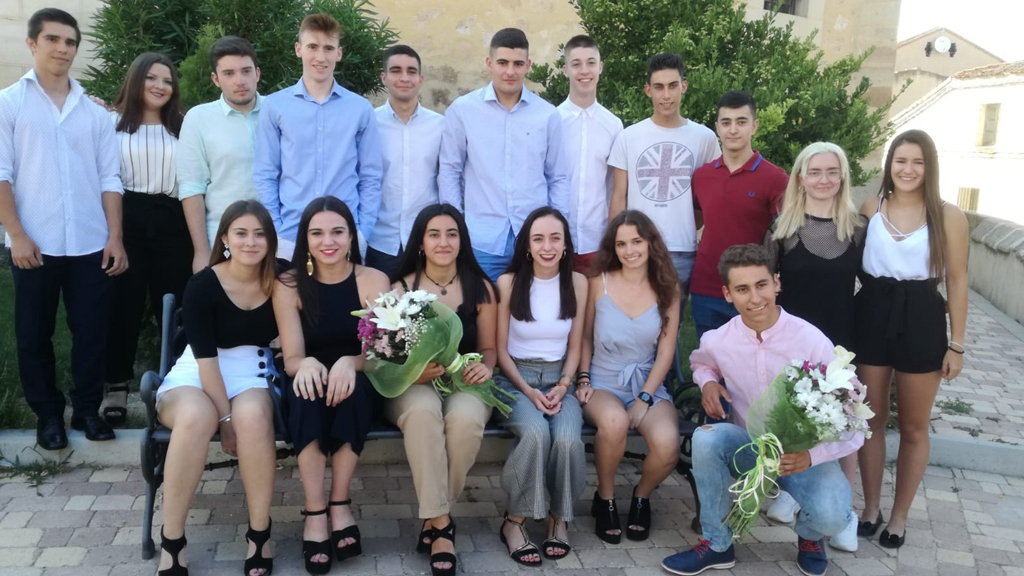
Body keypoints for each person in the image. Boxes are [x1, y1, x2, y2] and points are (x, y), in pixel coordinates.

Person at [661, 244, 862, 576]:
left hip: (800, 455)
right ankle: (716, 545)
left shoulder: (812, 341)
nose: (754, 298)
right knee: (706, 437)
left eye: (761, 285)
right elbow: (701, 362)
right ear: (727, 294)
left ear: (777, 283)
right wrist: (708, 382)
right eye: (742, 289)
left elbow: (852, 414)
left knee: (833, 514)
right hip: (749, 447)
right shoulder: (719, 339)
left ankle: (810, 536)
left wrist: (812, 456)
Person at [0, 8, 125, 450]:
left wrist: (115, 237)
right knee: (34, 335)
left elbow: (110, 178)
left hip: (91, 242)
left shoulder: (93, 113)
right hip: (35, 243)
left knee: (92, 332)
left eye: (70, 42)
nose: (63, 49)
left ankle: (87, 411)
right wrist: (16, 233)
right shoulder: (9, 103)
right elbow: (1, 174)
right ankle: (48, 416)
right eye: (53, 39)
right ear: (32, 43)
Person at [153, 200, 280, 576]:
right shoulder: (203, 284)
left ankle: (260, 534)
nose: (250, 242)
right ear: (224, 237)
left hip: (253, 372)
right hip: (198, 371)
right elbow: (206, 361)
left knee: (254, 417)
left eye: (259, 234)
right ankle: (172, 541)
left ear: (270, 241)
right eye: (240, 233)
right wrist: (224, 419)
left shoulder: (280, 278)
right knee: (196, 417)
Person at [855, 130, 968, 549]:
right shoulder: (871, 206)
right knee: (870, 419)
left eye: (917, 162)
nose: (907, 169)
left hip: (921, 316)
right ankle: (870, 507)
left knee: (915, 427)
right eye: (900, 161)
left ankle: (899, 516)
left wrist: (956, 343)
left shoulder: (947, 215)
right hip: (871, 313)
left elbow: (957, 280)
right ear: (889, 165)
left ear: (929, 167)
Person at [273, 197, 390, 574]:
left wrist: (350, 362)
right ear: (305, 239)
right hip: (307, 373)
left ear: (352, 237)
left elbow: (382, 354)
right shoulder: (289, 284)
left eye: (338, 231)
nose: (329, 241)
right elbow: (291, 358)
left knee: (353, 391)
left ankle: (339, 503)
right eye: (317, 232)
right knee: (305, 397)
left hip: (359, 374)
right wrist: (305, 364)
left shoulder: (373, 280)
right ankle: (315, 511)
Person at [763, 142, 868, 551]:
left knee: (844, 425)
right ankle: (793, 492)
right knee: (794, 422)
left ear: (842, 177)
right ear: (800, 178)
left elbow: (873, 287)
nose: (824, 179)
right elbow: (765, 290)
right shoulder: (782, 230)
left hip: (841, 343)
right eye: (815, 171)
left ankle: (845, 513)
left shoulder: (857, 229)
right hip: (793, 343)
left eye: (832, 171)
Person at [385, 204, 497, 576]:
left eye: (452, 234)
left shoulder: (481, 289)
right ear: (420, 241)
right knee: (422, 414)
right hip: (410, 383)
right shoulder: (399, 289)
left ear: (462, 241)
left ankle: (433, 517)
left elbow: (492, 348)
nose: (443, 242)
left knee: (465, 421)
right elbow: (387, 355)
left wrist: (486, 365)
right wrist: (414, 373)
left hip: (463, 379)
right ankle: (444, 529)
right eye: (434, 234)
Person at [577, 210, 680, 544]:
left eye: (637, 241)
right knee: (614, 422)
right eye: (621, 243)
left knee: (667, 445)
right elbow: (585, 338)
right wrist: (583, 380)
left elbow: (665, 353)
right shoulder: (599, 282)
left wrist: (645, 399)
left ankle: (641, 496)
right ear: (613, 247)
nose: (629, 250)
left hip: (648, 384)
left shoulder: (668, 287)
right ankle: (605, 499)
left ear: (651, 242)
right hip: (604, 381)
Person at [493, 207, 588, 567]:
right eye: (538, 239)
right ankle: (514, 521)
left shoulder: (578, 283)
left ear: (565, 244)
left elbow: (576, 345)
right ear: (527, 246)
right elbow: (500, 351)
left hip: (559, 379)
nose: (547, 246)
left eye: (555, 238)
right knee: (535, 434)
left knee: (566, 439)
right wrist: (528, 391)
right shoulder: (509, 283)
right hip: (514, 379)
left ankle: (558, 518)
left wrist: (565, 384)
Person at [102, 52, 192, 428]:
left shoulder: (185, 126)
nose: (160, 86)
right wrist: (115, 237)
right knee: (122, 308)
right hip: (128, 220)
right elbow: (107, 181)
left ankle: (176, 387)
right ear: (136, 80)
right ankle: (116, 387)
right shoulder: (109, 123)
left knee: (175, 309)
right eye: (152, 78)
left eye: (167, 80)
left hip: (174, 222)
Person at [438, 28, 570, 281]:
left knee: (530, 316)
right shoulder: (463, 110)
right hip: (481, 240)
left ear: (528, 65)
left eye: (518, 64)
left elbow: (558, 177)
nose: (510, 71)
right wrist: (457, 225)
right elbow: (450, 170)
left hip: (535, 242)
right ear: (489, 63)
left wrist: (556, 231)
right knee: (482, 313)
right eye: (503, 63)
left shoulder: (547, 115)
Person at [254, 13, 383, 258]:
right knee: (289, 297)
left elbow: (371, 175)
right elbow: (265, 172)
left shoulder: (360, 108)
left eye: (328, 48)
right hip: (290, 235)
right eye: (312, 46)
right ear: (298, 49)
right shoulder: (275, 106)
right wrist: (277, 228)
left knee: (345, 298)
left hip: (344, 235)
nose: (321, 57)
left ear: (339, 53)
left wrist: (362, 230)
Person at [608, 52, 719, 297]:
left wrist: (690, 222)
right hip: (637, 247)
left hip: (682, 248)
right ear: (648, 90)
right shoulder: (629, 137)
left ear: (684, 87)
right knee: (635, 326)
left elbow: (711, 196)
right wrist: (614, 246)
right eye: (659, 87)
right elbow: (619, 196)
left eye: (672, 86)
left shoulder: (704, 138)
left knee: (672, 327)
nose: (666, 95)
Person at [690, 90, 788, 340]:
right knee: (709, 365)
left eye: (741, 122)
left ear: (754, 126)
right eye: (726, 122)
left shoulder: (775, 179)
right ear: (717, 128)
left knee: (752, 368)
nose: (733, 130)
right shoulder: (702, 176)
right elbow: (697, 220)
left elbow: (786, 235)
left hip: (752, 292)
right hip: (706, 286)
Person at [178, 35, 264, 273]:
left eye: (246, 71)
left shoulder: (278, 112)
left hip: (276, 238)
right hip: (223, 239)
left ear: (257, 73)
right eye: (229, 73)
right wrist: (202, 251)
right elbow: (192, 188)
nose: (240, 80)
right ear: (215, 79)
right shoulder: (198, 119)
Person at [365, 45, 445, 279]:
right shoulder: (369, 123)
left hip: (425, 243)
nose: (404, 77)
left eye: (411, 71)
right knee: (378, 313)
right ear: (384, 78)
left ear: (420, 79)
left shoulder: (440, 126)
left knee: (426, 313)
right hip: (379, 241)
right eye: (396, 70)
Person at [556, 34, 623, 276]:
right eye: (576, 64)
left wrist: (613, 236)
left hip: (598, 241)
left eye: (591, 62)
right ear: (565, 70)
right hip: (555, 243)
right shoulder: (552, 122)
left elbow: (616, 186)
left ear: (600, 67)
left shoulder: (614, 125)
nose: (584, 71)